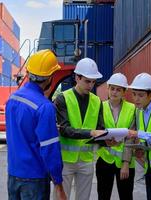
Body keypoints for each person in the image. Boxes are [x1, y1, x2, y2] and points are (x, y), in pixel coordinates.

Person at [5, 49, 66, 200]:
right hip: (35, 178)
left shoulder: (12, 99)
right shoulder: (44, 106)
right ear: (50, 77)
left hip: (13, 174)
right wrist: (58, 183)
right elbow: (49, 148)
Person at [54, 58, 106, 200]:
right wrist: (91, 132)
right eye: (87, 81)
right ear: (77, 77)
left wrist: (107, 141)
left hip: (86, 160)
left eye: (93, 82)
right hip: (65, 160)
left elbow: (100, 129)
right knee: (60, 198)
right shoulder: (62, 98)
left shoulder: (97, 101)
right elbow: (65, 129)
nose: (91, 85)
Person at [96, 73, 136, 200]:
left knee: (126, 196)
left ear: (124, 92)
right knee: (103, 196)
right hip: (104, 159)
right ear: (107, 89)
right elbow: (97, 131)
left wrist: (125, 163)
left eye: (118, 89)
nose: (114, 92)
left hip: (125, 162)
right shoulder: (100, 107)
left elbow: (131, 137)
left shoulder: (132, 109)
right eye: (112, 88)